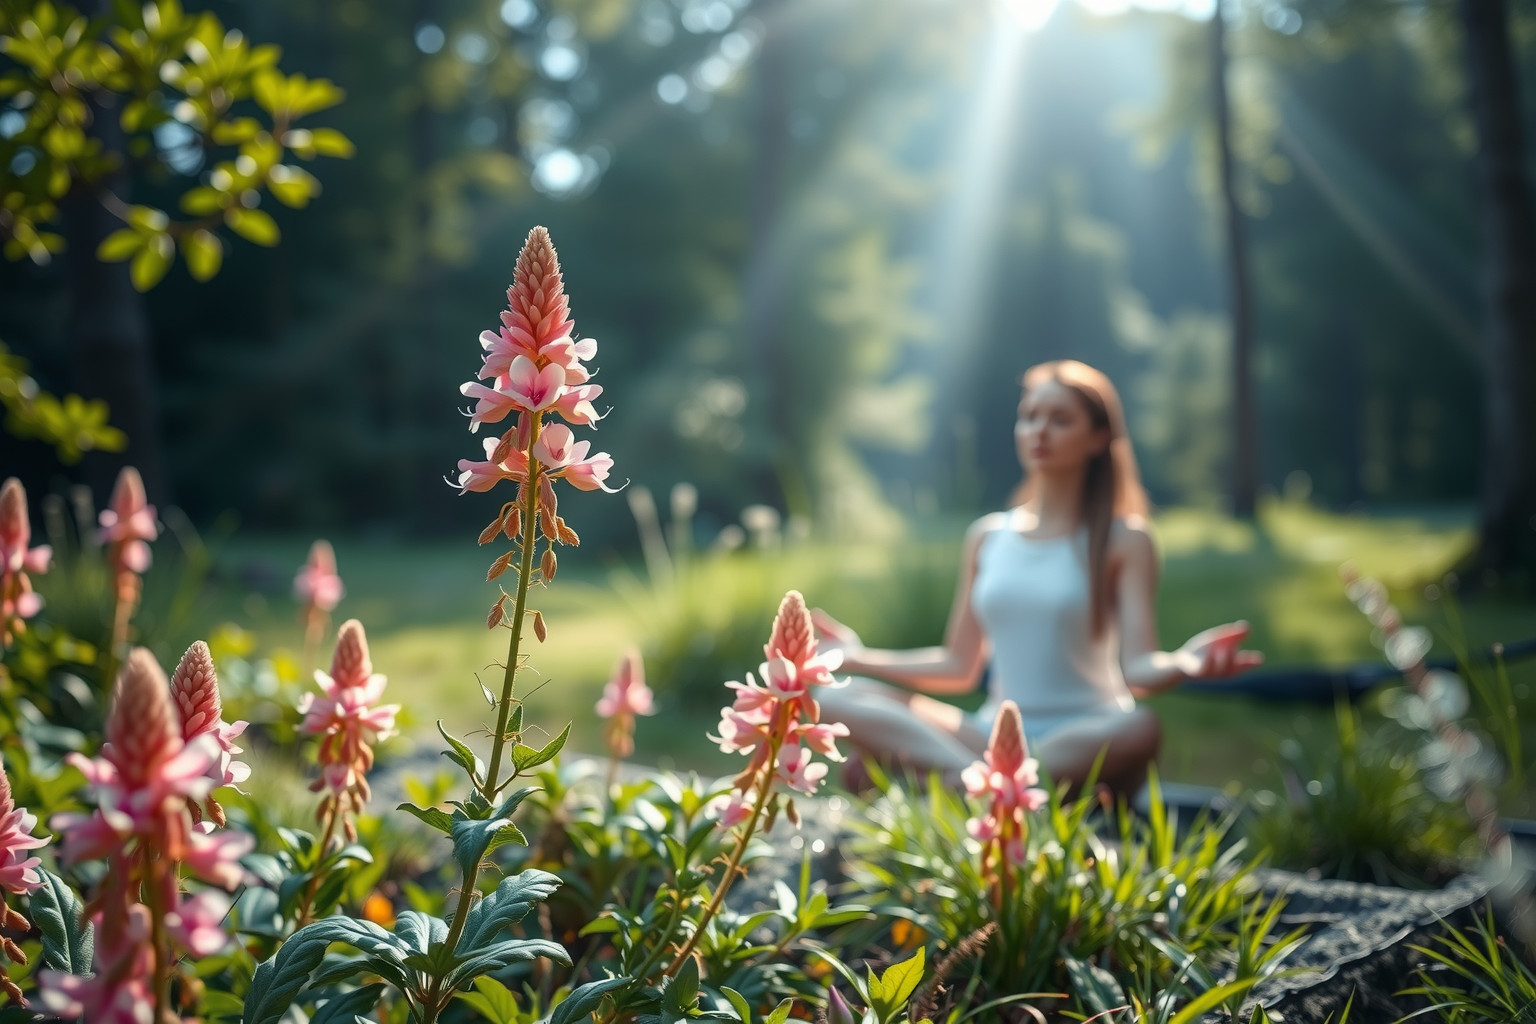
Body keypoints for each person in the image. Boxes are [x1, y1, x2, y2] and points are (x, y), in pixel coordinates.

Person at [812, 359, 1263, 798]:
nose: (1039, 431)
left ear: (1098, 437)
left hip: (1084, 738)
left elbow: (1139, 670)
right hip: (992, 736)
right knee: (835, 699)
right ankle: (985, 788)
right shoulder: (988, 536)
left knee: (1140, 726)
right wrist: (855, 657)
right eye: (1029, 417)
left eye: (1060, 419)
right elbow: (958, 665)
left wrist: (1186, 663)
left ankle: (951, 784)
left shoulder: (1125, 538)